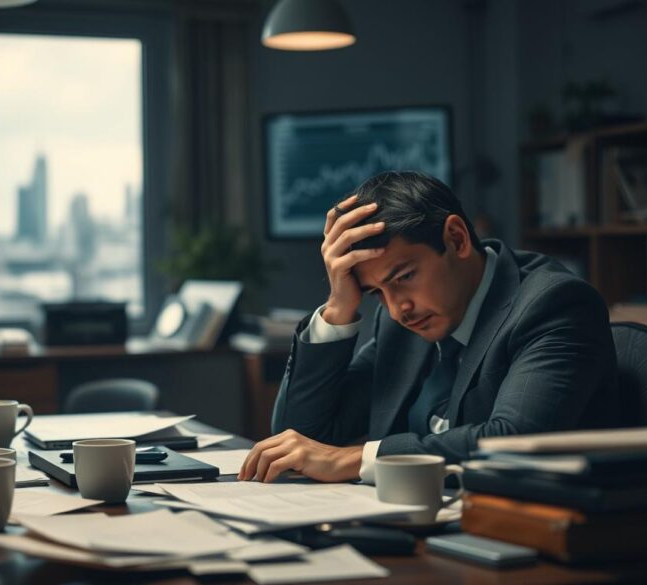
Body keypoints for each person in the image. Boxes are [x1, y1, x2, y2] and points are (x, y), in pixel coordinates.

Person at [239, 171, 620, 484]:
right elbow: (301, 438)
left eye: (404, 276)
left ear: (456, 239)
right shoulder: (401, 318)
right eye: (376, 292)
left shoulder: (553, 305)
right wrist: (339, 307)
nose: (397, 308)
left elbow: (513, 440)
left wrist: (357, 459)